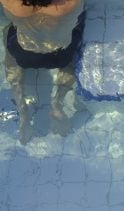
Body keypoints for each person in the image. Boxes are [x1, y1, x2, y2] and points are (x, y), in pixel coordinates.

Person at [1, 0, 85, 144]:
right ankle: (57, 104)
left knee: (7, 35)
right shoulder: (71, 2)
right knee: (71, 53)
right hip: (60, 55)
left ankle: (23, 114)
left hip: (24, 54)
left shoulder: (11, 2)